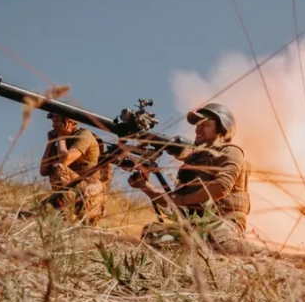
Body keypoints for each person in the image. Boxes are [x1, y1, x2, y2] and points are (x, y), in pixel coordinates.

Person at [127, 102, 258, 255]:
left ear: (222, 130)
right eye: (197, 125)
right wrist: (144, 185)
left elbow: (221, 187)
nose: (198, 129)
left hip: (223, 222)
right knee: (152, 234)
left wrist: (182, 201)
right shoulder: (193, 161)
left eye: (205, 125)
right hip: (194, 225)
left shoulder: (231, 152)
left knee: (216, 238)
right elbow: (173, 200)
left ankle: (264, 256)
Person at [39, 112, 107, 226]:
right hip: (75, 191)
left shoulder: (84, 135)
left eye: (57, 121)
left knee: (58, 168)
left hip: (90, 193)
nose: (53, 125)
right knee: (41, 208)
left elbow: (64, 161)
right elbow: (43, 171)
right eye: (53, 122)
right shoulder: (61, 143)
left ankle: (69, 219)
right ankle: (64, 218)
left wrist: (61, 137)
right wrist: (50, 143)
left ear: (69, 122)